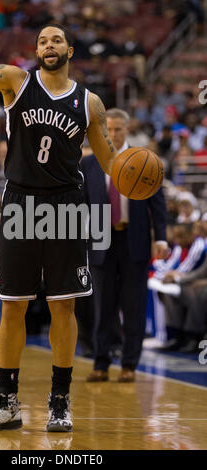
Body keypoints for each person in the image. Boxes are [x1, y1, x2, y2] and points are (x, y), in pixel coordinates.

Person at [0, 23, 118, 433]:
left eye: (56, 40)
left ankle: (59, 401)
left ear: (70, 50)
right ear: (36, 50)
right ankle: (7, 402)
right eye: (42, 40)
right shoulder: (18, 82)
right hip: (21, 203)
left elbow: (111, 165)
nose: (48, 45)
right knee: (13, 304)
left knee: (64, 305)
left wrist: (137, 170)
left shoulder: (90, 103)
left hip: (67, 207)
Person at [81, 108, 168, 383]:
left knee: (133, 306)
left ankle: (130, 364)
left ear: (127, 130)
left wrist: (162, 237)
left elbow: (158, 205)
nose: (113, 133)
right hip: (100, 242)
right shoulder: (90, 164)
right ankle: (101, 362)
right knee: (102, 307)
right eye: (108, 129)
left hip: (135, 240)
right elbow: (81, 207)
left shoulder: (146, 161)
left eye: (118, 128)